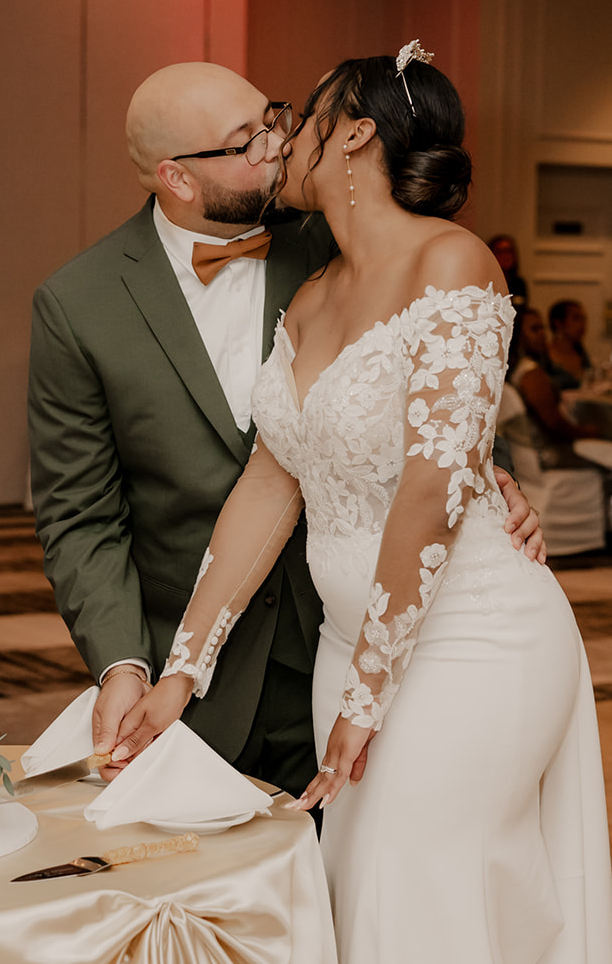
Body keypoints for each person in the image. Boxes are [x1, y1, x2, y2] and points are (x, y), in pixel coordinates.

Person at [111, 49, 612, 964]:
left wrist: (374, 695)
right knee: (375, 932)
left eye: (299, 117)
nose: (279, 137)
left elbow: (434, 493)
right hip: (359, 654)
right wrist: (181, 669)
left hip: (474, 643)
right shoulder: (310, 294)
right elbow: (268, 488)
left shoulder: (453, 264)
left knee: (403, 898)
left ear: (351, 138)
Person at [27, 63, 541, 800]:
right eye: (247, 139)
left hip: (370, 639)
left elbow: (428, 417)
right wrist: (137, 666)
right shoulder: (76, 304)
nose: (275, 144)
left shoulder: (331, 240)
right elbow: (82, 515)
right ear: (176, 178)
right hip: (200, 667)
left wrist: (485, 476)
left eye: (275, 120)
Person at [506, 305, 602, 466]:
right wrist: (589, 432)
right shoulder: (530, 373)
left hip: (524, 455)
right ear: (518, 335)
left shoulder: (516, 368)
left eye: (543, 328)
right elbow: (555, 425)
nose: (543, 334)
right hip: (546, 453)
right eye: (535, 329)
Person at [547, 296, 594, 389]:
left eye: (583, 319)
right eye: (576, 318)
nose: (582, 324)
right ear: (558, 323)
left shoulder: (582, 353)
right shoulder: (546, 357)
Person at [487, 231, 528, 309]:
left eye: (509, 251)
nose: (506, 256)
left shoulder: (519, 283)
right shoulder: (487, 283)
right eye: (500, 252)